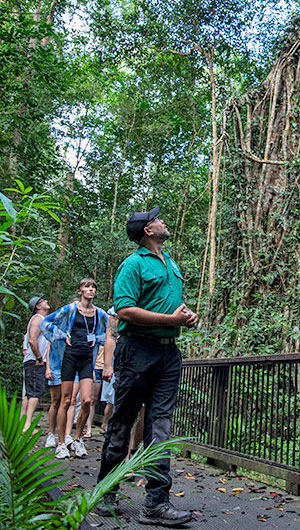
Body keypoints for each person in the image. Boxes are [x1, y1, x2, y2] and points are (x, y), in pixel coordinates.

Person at [97, 206, 198, 526]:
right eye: (156, 219)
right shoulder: (133, 264)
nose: (162, 220)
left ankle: (156, 502)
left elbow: (170, 307)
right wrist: (170, 319)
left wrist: (186, 317)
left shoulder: (171, 263)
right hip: (136, 350)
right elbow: (125, 311)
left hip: (168, 354)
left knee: (160, 427)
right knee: (123, 422)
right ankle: (106, 491)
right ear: (147, 231)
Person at [41, 278, 108, 459]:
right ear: (80, 291)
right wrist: (62, 335)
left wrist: (98, 339)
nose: (91, 290)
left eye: (93, 287)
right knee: (66, 400)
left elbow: (111, 331)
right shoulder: (70, 309)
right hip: (69, 357)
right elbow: (46, 323)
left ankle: (77, 439)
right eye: (87, 287)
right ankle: (61, 442)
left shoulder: (100, 314)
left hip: (87, 359)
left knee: (87, 400)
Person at [22, 296, 51, 429]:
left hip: (35, 360)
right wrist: (39, 357)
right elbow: (32, 340)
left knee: (31, 393)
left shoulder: (42, 319)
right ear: (38, 306)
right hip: (34, 361)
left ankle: (25, 423)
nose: (46, 301)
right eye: (43, 301)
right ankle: (27, 425)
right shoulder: (37, 319)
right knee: (34, 393)